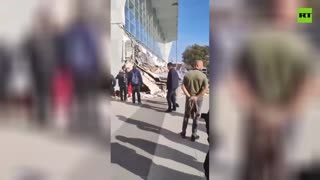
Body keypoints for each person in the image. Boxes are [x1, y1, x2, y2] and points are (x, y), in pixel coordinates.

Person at [180, 60, 209, 141]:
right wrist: (196, 97)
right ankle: (194, 134)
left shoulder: (187, 75)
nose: (202, 67)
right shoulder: (203, 76)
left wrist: (189, 96)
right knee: (196, 117)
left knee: (186, 116)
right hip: (198, 100)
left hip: (189, 99)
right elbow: (206, 89)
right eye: (201, 65)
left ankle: (183, 132)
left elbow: (183, 87)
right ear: (197, 65)